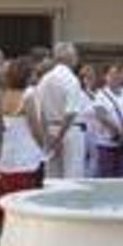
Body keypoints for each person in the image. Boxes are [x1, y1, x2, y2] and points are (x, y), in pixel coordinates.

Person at [0, 56, 47, 225]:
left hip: (6, 155)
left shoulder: (2, 96)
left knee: (6, 198)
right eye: (32, 73)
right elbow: (35, 127)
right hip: (26, 156)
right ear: (26, 75)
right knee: (26, 199)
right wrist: (44, 144)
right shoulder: (28, 96)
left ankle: (6, 229)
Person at [34, 42, 88, 179]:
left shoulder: (45, 79)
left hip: (50, 129)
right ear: (70, 58)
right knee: (72, 176)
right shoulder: (71, 79)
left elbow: (39, 111)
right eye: (75, 56)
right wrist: (59, 139)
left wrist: (48, 137)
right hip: (70, 130)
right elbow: (71, 112)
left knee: (52, 175)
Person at [91, 61, 123, 178]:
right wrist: (118, 131)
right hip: (106, 143)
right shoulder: (100, 95)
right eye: (111, 74)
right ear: (105, 77)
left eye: (117, 74)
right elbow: (101, 115)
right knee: (107, 177)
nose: (115, 77)